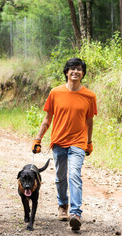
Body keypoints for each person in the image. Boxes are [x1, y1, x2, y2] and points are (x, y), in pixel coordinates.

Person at [31, 57, 97, 231]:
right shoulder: (55, 93)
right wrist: (38, 138)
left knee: (74, 175)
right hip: (59, 142)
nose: (76, 72)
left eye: (79, 69)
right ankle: (63, 205)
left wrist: (89, 142)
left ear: (83, 74)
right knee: (61, 177)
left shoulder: (89, 96)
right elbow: (47, 119)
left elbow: (89, 121)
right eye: (72, 69)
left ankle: (75, 214)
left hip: (79, 142)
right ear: (66, 72)